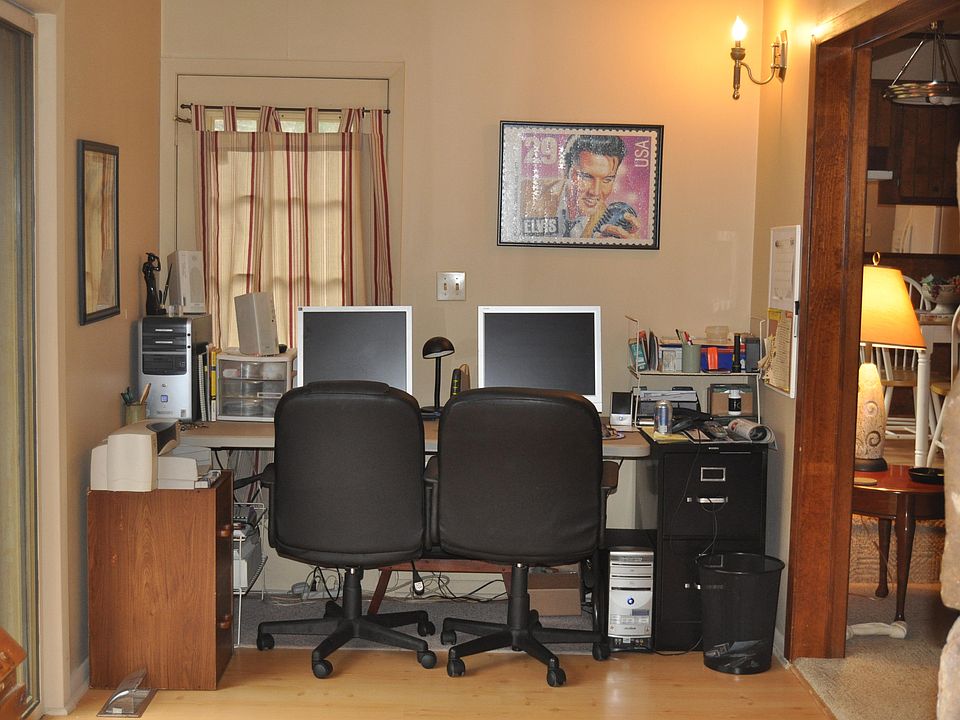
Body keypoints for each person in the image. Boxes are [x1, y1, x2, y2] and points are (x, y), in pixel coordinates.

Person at [522, 134, 642, 240]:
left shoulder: (609, 228)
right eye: (586, 177)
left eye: (607, 179)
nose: (595, 192)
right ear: (566, 171)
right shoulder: (524, 193)